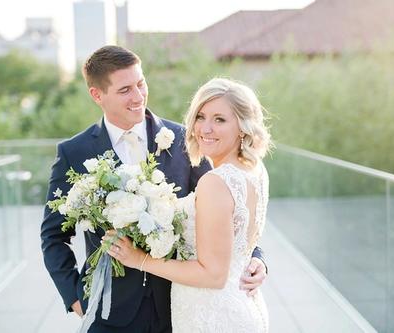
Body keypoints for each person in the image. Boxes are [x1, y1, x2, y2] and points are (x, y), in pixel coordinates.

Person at [40, 46, 268, 332]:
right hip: (108, 310)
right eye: (125, 90)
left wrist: (256, 258)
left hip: (177, 305)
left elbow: (229, 212)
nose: (138, 97)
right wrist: (74, 296)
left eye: (140, 83)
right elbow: (53, 235)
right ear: (97, 95)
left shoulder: (187, 139)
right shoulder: (74, 152)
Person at [110, 77, 271, 332]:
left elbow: (213, 275)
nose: (205, 129)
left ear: (242, 126)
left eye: (220, 119)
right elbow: (239, 240)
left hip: (213, 315)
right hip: (241, 304)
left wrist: (140, 260)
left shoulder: (215, 182)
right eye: (200, 117)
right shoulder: (255, 170)